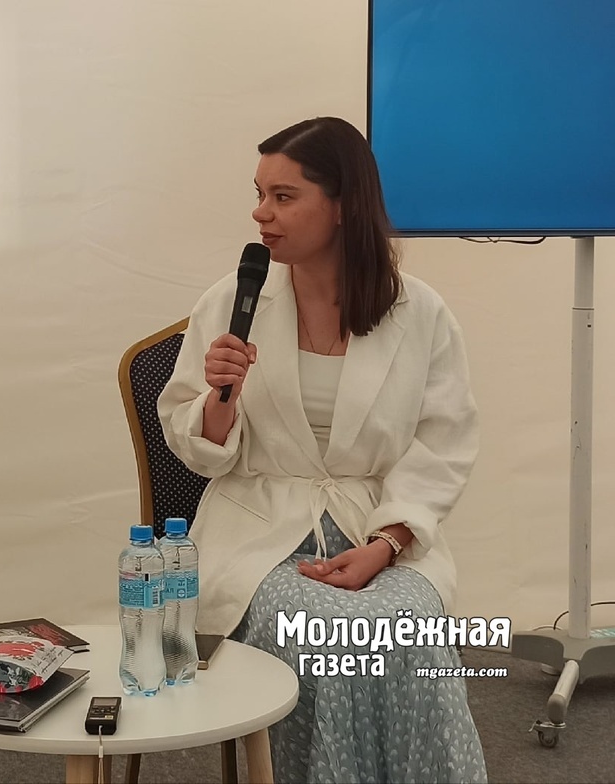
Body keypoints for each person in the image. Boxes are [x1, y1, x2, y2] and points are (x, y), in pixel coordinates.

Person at [158, 117, 487, 782]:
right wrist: (221, 396)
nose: (261, 213)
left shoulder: (419, 313)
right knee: (325, 632)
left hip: (377, 529)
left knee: (407, 622)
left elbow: (444, 442)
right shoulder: (230, 301)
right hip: (260, 531)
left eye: (284, 197)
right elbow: (198, 451)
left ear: (342, 206)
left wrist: (387, 544)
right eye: (259, 194)